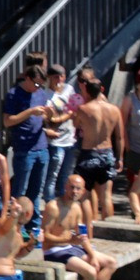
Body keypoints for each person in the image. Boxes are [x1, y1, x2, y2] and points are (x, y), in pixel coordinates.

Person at [42, 175, 118, 280]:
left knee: (111, 263)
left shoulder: (77, 207)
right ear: (65, 187)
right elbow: (44, 237)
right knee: (91, 272)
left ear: (83, 191)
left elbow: (81, 236)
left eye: (78, 189)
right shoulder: (53, 206)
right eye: (72, 187)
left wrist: (93, 255)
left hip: (71, 246)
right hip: (54, 250)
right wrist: (67, 239)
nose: (75, 191)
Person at [2, 65, 51, 239]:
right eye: (36, 84)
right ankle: (15, 226)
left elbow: (44, 119)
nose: (38, 88)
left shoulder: (41, 94)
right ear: (28, 79)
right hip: (24, 149)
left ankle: (33, 227)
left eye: (41, 85)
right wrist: (30, 111)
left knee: (36, 191)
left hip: (41, 146)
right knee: (20, 190)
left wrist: (48, 115)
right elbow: (8, 121)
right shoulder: (14, 94)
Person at [73, 78, 124, 219]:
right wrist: (120, 157)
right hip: (107, 152)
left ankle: (89, 228)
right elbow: (120, 137)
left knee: (85, 195)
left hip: (89, 152)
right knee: (106, 195)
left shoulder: (83, 109)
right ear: (102, 90)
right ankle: (109, 228)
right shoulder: (114, 110)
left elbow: (76, 124)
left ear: (87, 92)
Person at [42, 64, 79, 203]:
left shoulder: (69, 89)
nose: (59, 79)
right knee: (52, 175)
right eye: (56, 76)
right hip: (55, 141)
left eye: (62, 76)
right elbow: (46, 117)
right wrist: (60, 118)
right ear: (49, 78)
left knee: (67, 175)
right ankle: (50, 202)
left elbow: (73, 109)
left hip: (70, 137)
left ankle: (65, 204)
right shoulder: (45, 94)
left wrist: (59, 118)